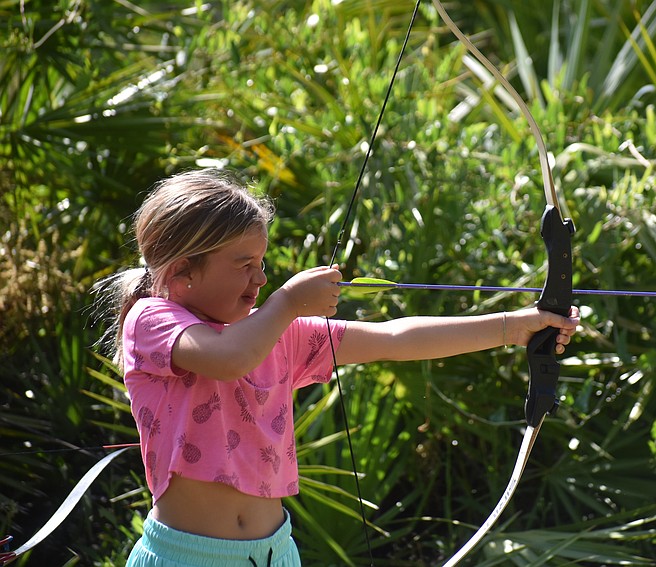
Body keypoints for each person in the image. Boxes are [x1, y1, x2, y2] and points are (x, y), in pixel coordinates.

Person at [98, 168, 580, 567]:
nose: (261, 279)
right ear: (181, 271)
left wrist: (513, 326)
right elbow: (229, 359)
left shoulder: (275, 332)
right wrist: (288, 302)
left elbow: (397, 337)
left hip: (274, 554)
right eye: (244, 264)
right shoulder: (153, 320)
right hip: (186, 556)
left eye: (262, 263)